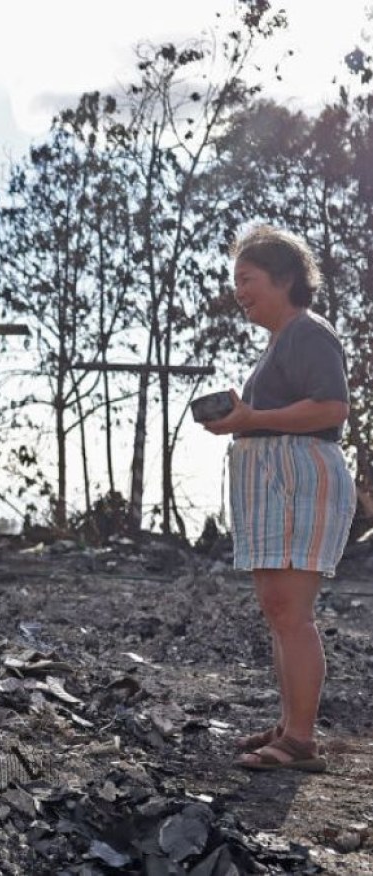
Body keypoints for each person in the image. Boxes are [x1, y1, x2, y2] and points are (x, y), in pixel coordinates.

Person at [201, 225, 356, 773]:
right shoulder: (280, 341)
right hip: (275, 480)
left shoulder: (309, 333)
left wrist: (252, 419)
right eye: (235, 281)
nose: (239, 291)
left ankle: (300, 740)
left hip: (300, 479)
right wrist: (240, 424)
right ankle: (290, 723)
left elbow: (332, 408)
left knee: (293, 611)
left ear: (285, 278)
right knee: (278, 610)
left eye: (247, 279)